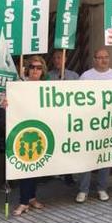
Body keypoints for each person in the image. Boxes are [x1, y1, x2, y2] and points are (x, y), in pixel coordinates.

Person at [75, 48, 112, 203]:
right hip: (89, 124)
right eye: (100, 57)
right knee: (86, 157)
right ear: (94, 59)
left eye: (106, 57)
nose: (104, 60)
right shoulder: (85, 77)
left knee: (104, 157)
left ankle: (102, 188)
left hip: (107, 124)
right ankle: (83, 190)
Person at [11, 55, 48, 216]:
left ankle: (31, 198)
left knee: (35, 169)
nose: (35, 70)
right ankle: (23, 202)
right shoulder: (19, 86)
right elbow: (10, 103)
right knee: (26, 167)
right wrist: (6, 102)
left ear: (43, 71)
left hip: (41, 131)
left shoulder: (46, 87)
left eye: (39, 68)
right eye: (32, 67)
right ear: (27, 69)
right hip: (23, 130)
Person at [47, 49, 78, 186]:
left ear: (65, 59)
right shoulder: (47, 76)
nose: (57, 60)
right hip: (53, 117)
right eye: (55, 58)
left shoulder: (74, 76)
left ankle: (68, 174)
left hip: (69, 118)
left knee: (67, 146)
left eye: (60, 57)